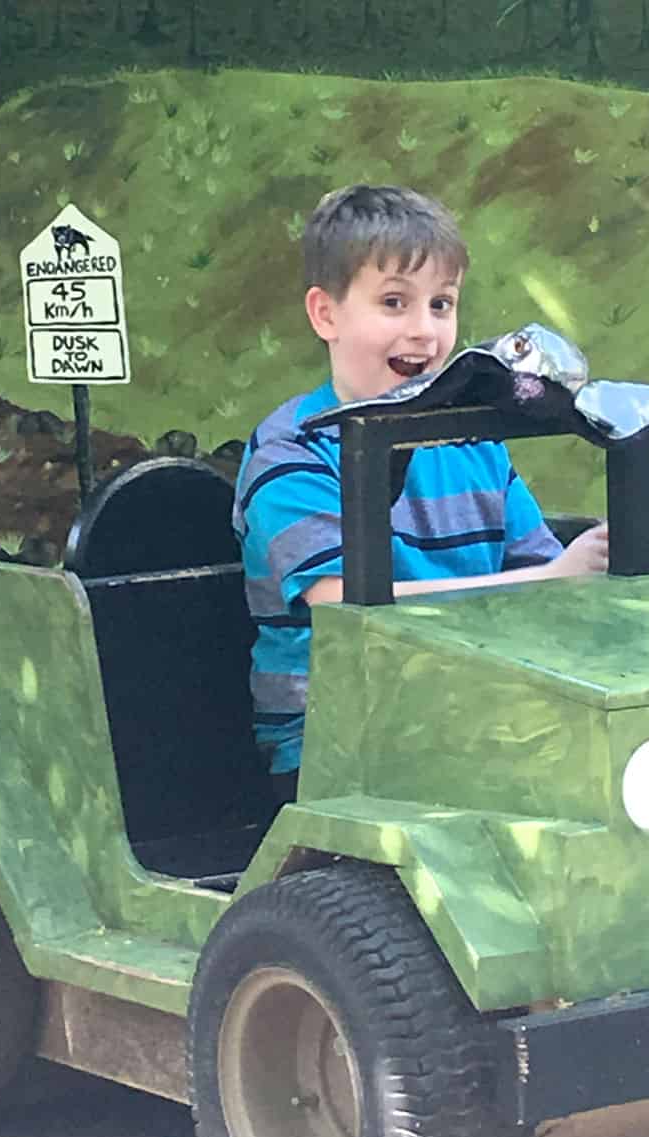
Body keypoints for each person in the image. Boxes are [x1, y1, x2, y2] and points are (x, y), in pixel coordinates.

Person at [233, 184, 609, 801]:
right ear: (325, 314)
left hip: (478, 709)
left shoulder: (475, 443)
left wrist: (592, 573)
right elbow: (343, 601)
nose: (423, 331)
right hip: (337, 741)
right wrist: (545, 583)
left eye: (441, 305)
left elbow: (543, 568)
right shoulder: (291, 450)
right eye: (393, 303)